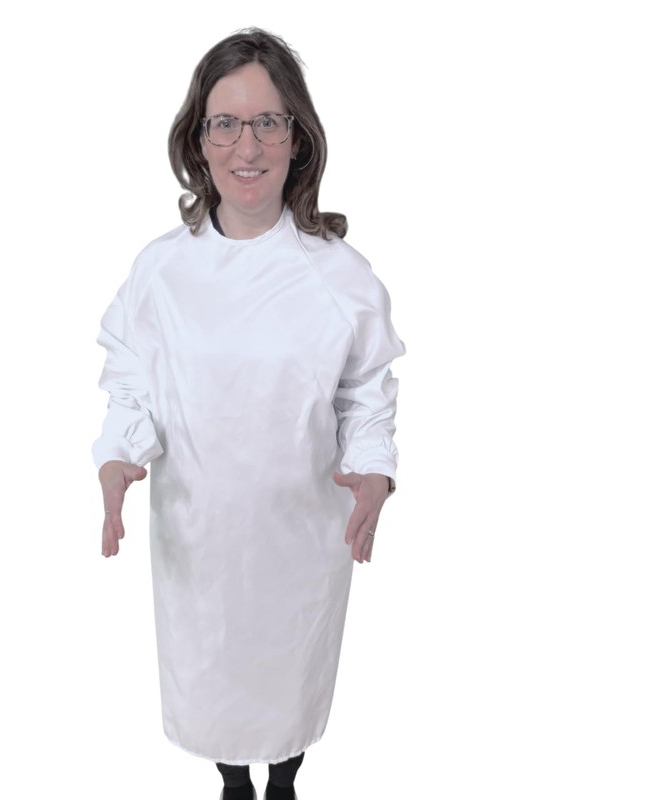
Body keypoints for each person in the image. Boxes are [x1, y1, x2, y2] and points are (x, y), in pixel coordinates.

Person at [93, 28, 406, 800]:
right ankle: (234, 782)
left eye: (268, 121)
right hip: (198, 537)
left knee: (289, 675)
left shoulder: (340, 278)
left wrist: (373, 471)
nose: (248, 145)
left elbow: (366, 392)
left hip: (301, 536)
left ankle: (286, 779)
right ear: (198, 141)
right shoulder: (162, 271)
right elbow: (133, 381)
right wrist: (119, 454)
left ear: (298, 138)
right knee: (215, 682)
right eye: (226, 123)